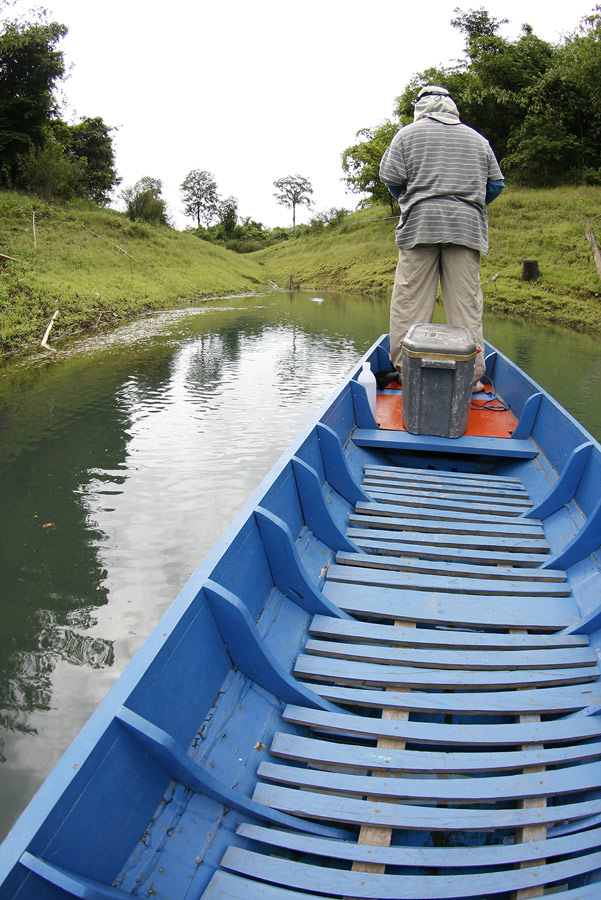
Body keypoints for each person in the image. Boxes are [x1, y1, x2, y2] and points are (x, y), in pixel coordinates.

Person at [379, 85, 504, 390]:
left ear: (419, 108)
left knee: (411, 302)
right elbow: (496, 184)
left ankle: (408, 374)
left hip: (420, 225)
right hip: (466, 229)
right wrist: (468, 205)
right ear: (452, 107)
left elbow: (391, 179)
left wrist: (411, 198)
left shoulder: (407, 135)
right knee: (466, 304)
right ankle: (470, 378)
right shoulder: (478, 140)